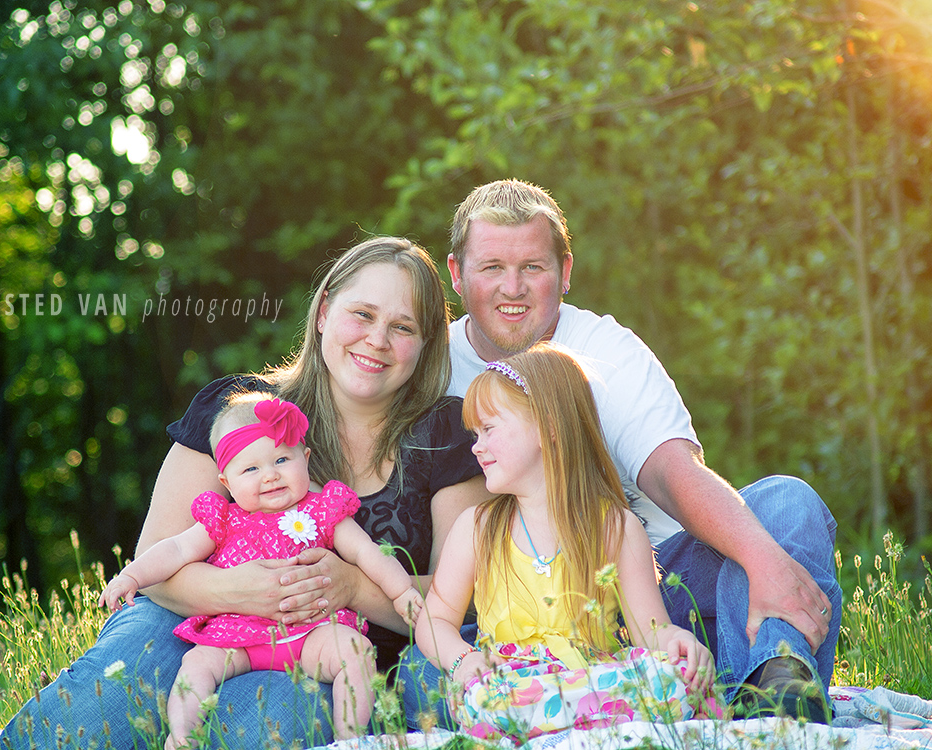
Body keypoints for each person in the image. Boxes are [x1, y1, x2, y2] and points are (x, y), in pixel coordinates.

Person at [0, 236, 489, 749]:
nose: (377, 339)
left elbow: (468, 601)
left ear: (427, 343)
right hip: (198, 624)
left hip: (334, 653)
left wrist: (351, 588)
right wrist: (240, 591)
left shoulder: (446, 436)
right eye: (362, 314)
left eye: (402, 327)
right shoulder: (235, 413)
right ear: (323, 312)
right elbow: (157, 563)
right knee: (121, 686)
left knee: (267, 718)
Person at [439, 178, 841, 723]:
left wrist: (765, 564)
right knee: (430, 662)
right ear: (457, 274)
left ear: (566, 272)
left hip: (648, 591)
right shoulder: (429, 365)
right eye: (491, 268)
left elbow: (676, 476)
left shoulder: (608, 352)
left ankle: (775, 686)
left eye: (533, 266)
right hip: (509, 622)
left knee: (787, 504)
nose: (513, 287)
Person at [415, 344, 716, 741]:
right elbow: (433, 622)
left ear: (548, 427)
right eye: (475, 433)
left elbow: (650, 632)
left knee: (673, 677)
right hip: (511, 686)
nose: (476, 446)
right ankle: (581, 725)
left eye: (488, 429)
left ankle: (576, 724)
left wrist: (677, 640)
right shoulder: (477, 528)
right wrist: (463, 660)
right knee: (483, 699)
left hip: (593, 679)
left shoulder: (615, 528)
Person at [98, 393, 424, 747]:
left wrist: (401, 590)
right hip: (237, 637)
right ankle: (182, 738)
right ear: (227, 482)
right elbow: (175, 549)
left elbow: (367, 553)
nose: (269, 476)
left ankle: (352, 738)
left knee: (356, 652)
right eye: (251, 469)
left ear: (306, 459)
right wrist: (132, 575)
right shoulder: (223, 519)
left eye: (282, 459)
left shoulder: (323, 511)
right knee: (195, 666)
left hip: (312, 632)